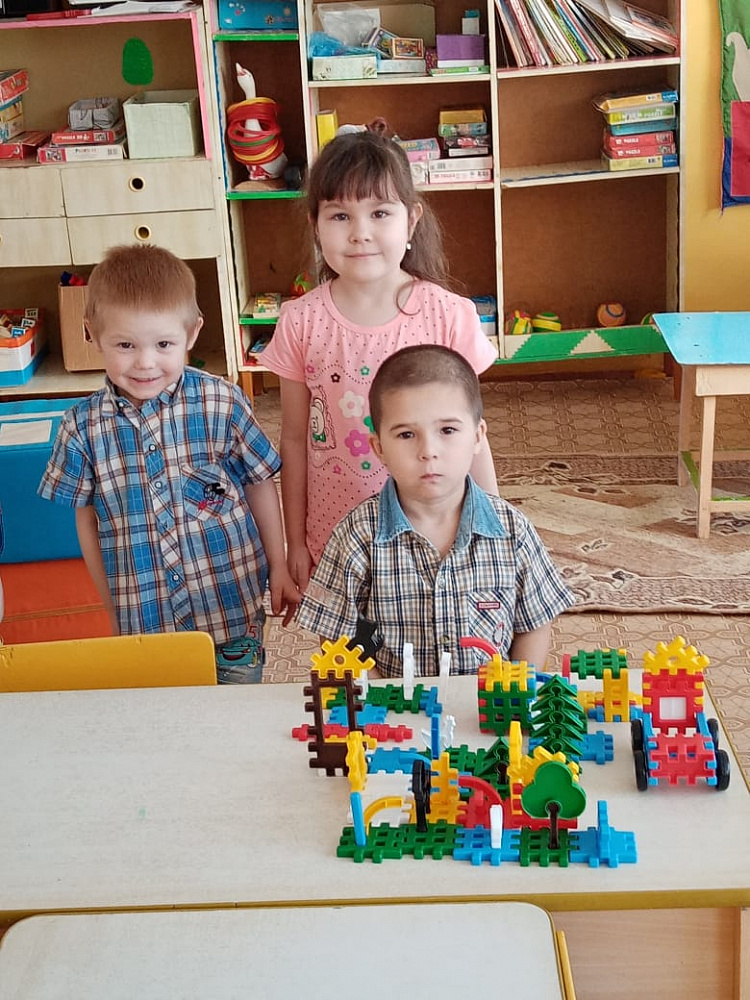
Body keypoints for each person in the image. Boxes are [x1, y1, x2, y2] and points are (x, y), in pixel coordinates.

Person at [38, 244, 299, 683]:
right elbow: (88, 524)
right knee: (165, 714)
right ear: (91, 334)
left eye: (163, 344)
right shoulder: (80, 427)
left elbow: (258, 484)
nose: (145, 363)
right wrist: (111, 607)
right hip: (145, 619)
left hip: (232, 609)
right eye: (125, 344)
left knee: (236, 708)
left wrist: (279, 565)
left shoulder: (222, 402)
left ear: (192, 334)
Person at [262, 130, 498, 593]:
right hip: (337, 535)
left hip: (435, 529)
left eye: (380, 213)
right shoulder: (300, 321)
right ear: (315, 225)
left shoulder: (449, 315)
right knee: (353, 640)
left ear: (411, 221)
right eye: (340, 215)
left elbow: (473, 436)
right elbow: (293, 439)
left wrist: (496, 527)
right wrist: (296, 543)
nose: (360, 233)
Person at [296, 345, 575, 676]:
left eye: (447, 430)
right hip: (395, 702)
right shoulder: (356, 536)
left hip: (489, 703)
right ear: (379, 447)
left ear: (477, 437)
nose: (428, 451)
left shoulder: (513, 530)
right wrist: (377, 694)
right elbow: (336, 634)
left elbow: (535, 624)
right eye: (406, 434)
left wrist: (516, 689)